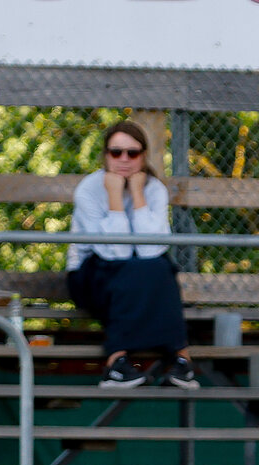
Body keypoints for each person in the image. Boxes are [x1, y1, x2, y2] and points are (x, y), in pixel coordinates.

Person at [68, 120, 196, 390]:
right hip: (91, 276)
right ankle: (121, 362)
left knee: (160, 267)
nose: (124, 159)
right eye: (116, 153)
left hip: (139, 278)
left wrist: (137, 193)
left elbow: (151, 249)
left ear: (143, 156)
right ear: (105, 155)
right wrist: (115, 195)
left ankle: (177, 363)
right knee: (136, 269)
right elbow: (116, 253)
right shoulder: (88, 190)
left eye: (132, 153)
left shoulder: (154, 189)